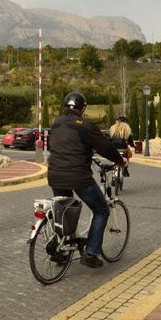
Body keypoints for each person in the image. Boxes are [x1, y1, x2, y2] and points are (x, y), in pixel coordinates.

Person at [48, 91, 127, 268]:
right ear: (82, 109)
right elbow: (105, 147)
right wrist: (120, 161)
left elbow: (53, 146)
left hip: (54, 174)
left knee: (64, 211)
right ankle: (91, 253)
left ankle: (62, 249)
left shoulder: (56, 123)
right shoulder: (85, 125)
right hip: (78, 176)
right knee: (101, 210)